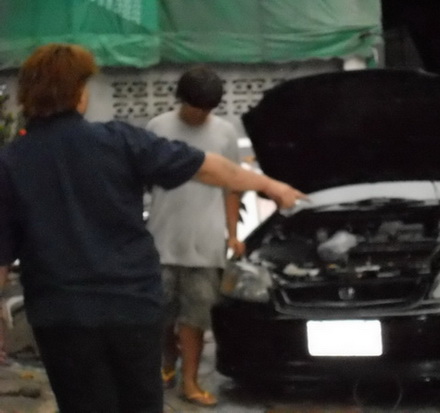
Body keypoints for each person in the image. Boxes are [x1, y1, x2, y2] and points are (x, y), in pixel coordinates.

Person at [0, 43, 306, 413]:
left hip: (62, 315)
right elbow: (209, 168)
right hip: (130, 305)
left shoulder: (11, 162)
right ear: (78, 92)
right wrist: (272, 186)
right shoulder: (118, 141)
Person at [145, 65, 243, 407]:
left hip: (206, 243)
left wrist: (233, 235)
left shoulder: (225, 133)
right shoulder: (157, 128)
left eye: (207, 109)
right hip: (161, 241)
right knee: (159, 317)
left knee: (195, 319)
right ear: (181, 99)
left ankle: (190, 381)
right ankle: (166, 361)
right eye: (195, 107)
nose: (201, 114)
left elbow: (233, 186)